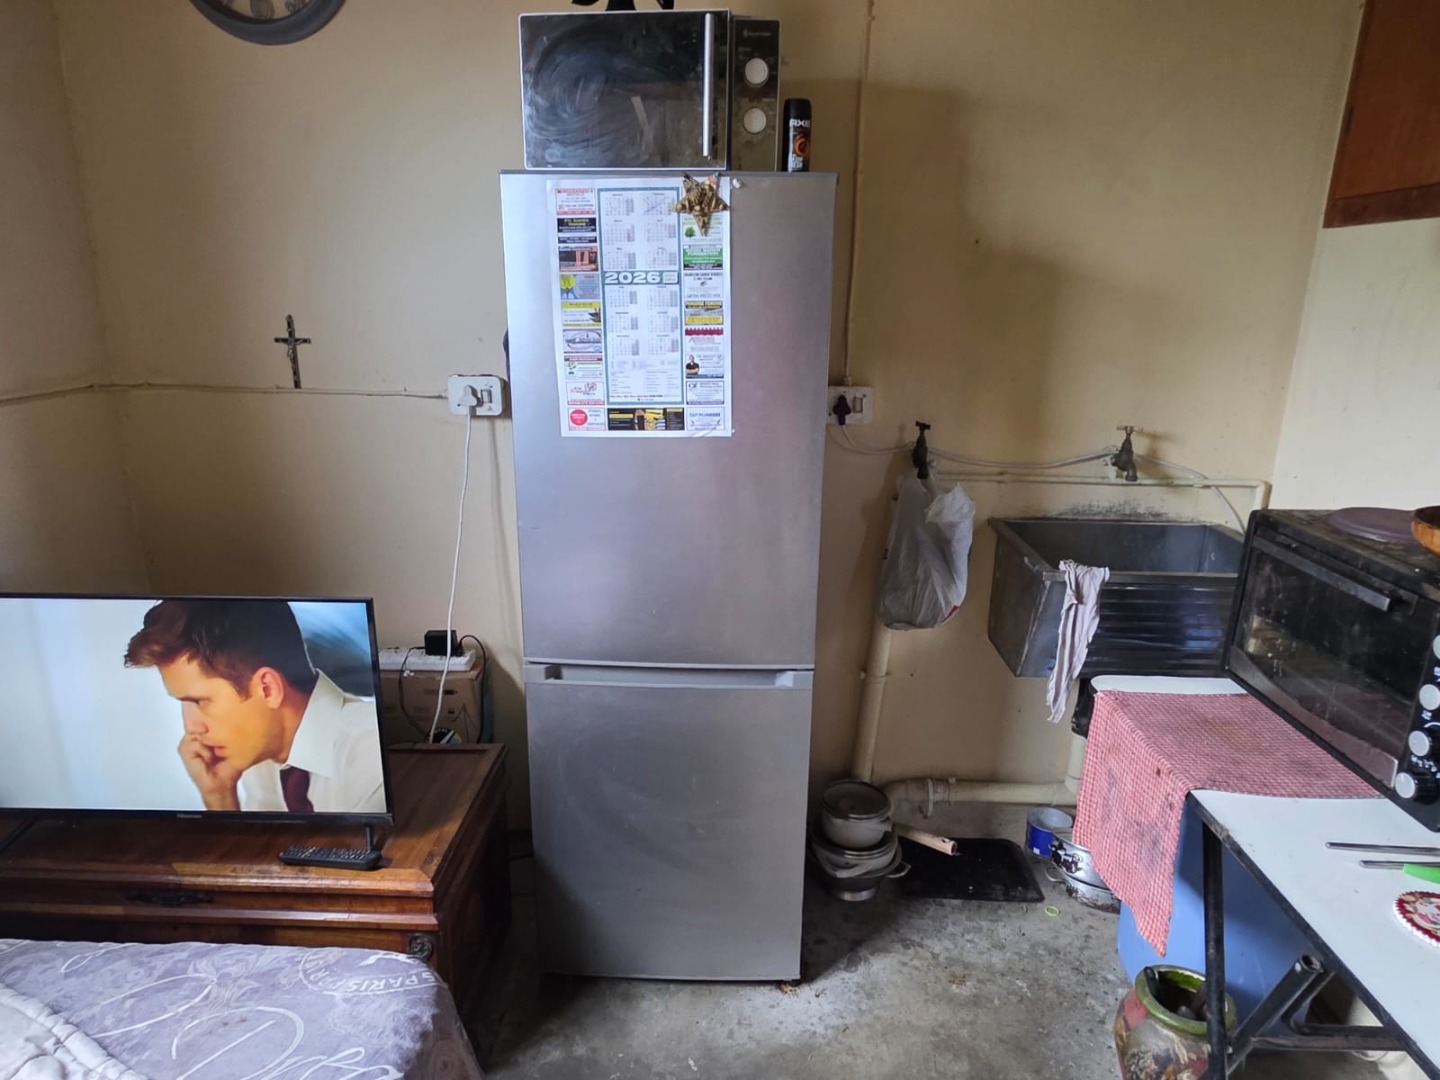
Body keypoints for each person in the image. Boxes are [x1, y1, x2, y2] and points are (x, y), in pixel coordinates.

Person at [124, 599, 385, 814]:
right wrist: (219, 799)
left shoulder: (370, 750)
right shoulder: (259, 754)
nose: (192, 728)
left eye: (199, 702)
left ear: (267, 688)